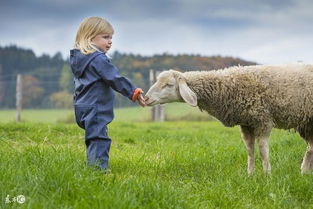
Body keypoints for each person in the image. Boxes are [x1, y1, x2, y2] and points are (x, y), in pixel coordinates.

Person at [70, 16, 146, 172]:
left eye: (111, 37)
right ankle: (98, 170)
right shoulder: (98, 59)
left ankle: (93, 166)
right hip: (96, 105)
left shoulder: (79, 59)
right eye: (105, 37)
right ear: (90, 37)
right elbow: (115, 78)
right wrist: (133, 91)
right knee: (99, 138)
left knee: (94, 137)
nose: (110, 41)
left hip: (82, 105)